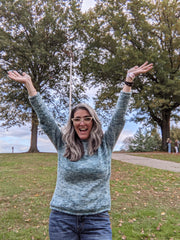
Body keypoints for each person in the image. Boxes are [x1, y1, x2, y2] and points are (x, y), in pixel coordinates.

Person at [8, 61, 153, 240]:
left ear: (93, 121)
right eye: (77, 119)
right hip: (62, 218)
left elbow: (119, 116)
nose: (82, 123)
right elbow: (44, 118)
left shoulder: (105, 144)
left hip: (97, 220)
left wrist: (128, 82)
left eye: (86, 118)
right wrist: (30, 85)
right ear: (72, 123)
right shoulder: (63, 143)